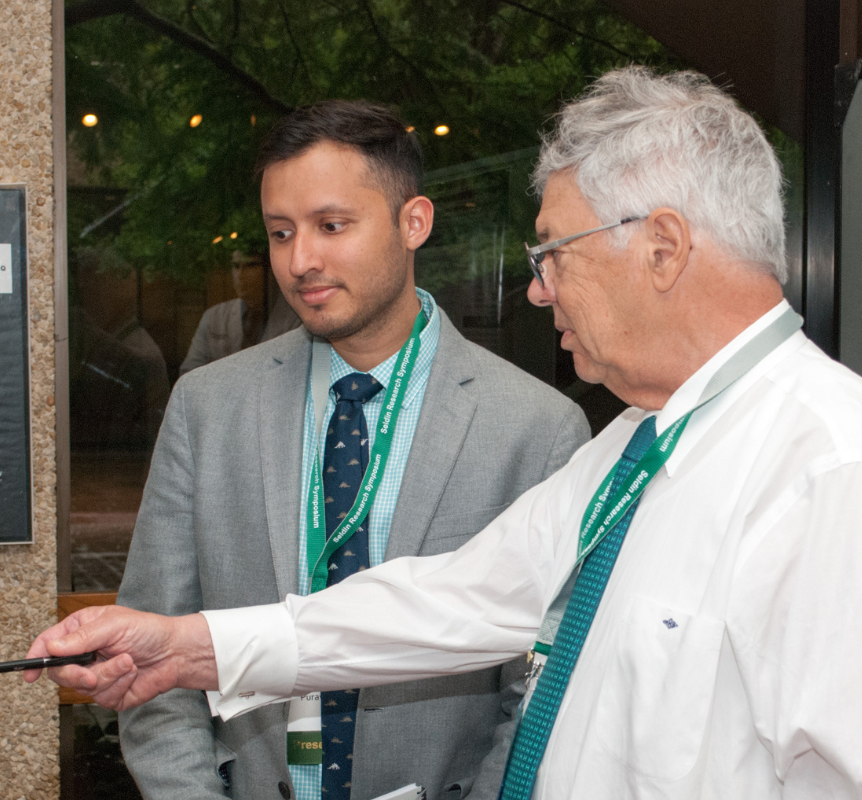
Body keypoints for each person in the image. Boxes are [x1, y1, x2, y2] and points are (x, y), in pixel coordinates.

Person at [29, 69, 862, 798]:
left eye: (554, 252)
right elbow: (453, 602)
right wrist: (188, 647)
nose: (539, 288)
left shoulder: (834, 464)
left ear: (663, 248)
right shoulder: (639, 445)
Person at [104, 100, 590, 800]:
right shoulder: (209, 408)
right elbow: (157, 658)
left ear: (413, 222)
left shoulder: (535, 428)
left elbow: (539, 689)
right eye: (279, 233)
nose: (301, 261)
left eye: (332, 226)